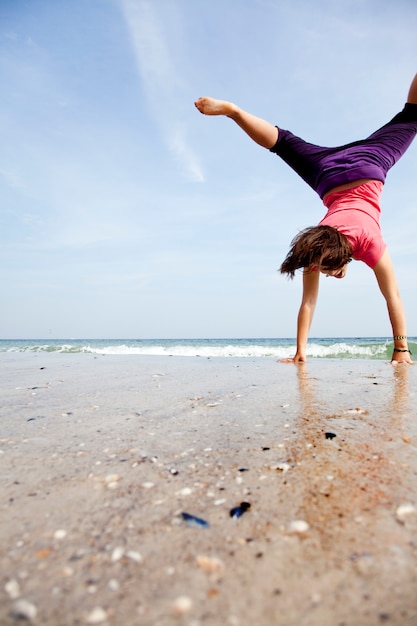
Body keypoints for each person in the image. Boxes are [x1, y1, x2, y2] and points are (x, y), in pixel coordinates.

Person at [194, 73, 417, 364]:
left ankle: (235, 111)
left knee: (412, 115)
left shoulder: (369, 243)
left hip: (369, 163)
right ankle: (234, 111)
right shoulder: (316, 242)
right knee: (283, 143)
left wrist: (401, 351)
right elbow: (311, 301)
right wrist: (300, 352)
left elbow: (392, 296)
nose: (323, 273)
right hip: (325, 171)